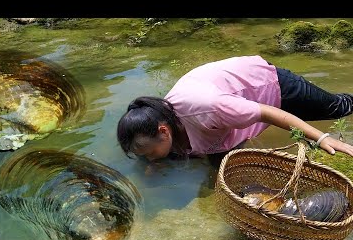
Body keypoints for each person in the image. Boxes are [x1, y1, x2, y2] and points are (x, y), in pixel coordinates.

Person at [116, 55, 353, 163]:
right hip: (231, 93)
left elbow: (269, 112)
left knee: (338, 108)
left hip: (271, 85)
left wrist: (322, 137)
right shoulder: (163, 115)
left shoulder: (208, 108)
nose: (148, 159)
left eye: (147, 153)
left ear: (164, 131)